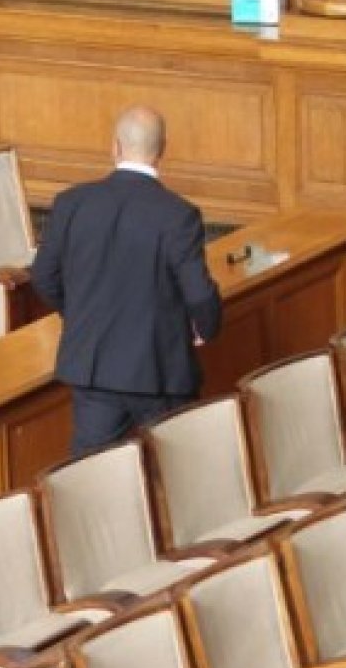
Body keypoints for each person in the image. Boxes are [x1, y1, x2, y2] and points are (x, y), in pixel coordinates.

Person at [30, 106, 223, 457]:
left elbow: (43, 275)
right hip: (160, 370)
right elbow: (199, 294)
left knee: (93, 474)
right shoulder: (178, 215)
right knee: (174, 469)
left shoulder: (72, 204)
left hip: (94, 368)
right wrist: (204, 329)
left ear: (115, 146)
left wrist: (80, 314)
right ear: (162, 149)